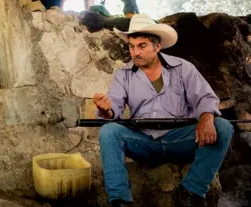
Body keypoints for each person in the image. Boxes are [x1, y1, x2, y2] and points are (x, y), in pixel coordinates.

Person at [93, 14, 233, 207]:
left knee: (223, 127)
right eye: (131, 47)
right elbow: (113, 110)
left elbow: (205, 98)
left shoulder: (183, 68)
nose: (135, 53)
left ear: (157, 46)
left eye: (142, 46)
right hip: (144, 142)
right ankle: (119, 200)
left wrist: (206, 118)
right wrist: (106, 110)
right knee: (108, 131)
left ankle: (192, 191)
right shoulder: (122, 75)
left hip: (182, 141)